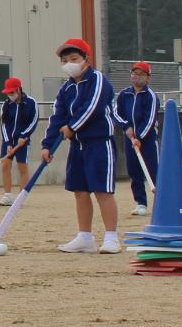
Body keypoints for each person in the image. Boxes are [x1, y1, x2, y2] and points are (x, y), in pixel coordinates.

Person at [46, 37, 119, 254]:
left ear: (86, 59)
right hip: (77, 146)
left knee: (102, 190)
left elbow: (92, 108)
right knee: (79, 191)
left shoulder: (98, 80)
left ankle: (111, 237)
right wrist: (47, 145)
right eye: (65, 60)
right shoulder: (66, 89)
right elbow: (57, 117)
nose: (69, 63)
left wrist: (73, 127)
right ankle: (85, 237)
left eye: (74, 58)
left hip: (99, 143)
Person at [112, 62, 160, 216]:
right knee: (134, 171)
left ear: (148, 78)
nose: (136, 77)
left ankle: (161, 202)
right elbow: (116, 113)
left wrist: (139, 137)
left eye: (141, 74)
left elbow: (150, 119)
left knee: (153, 170)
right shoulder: (124, 95)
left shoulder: (151, 96)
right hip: (129, 138)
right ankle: (141, 203)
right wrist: (126, 128)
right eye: (134, 73)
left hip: (147, 139)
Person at [0, 76, 38, 207]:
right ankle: (7, 196)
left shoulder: (31, 103)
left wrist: (24, 136)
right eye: (8, 93)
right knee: (5, 165)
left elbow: (34, 121)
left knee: (22, 166)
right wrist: (8, 143)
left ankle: (21, 197)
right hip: (8, 140)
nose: (10, 95)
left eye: (12, 92)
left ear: (19, 90)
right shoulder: (6, 105)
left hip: (23, 141)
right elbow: (3, 124)